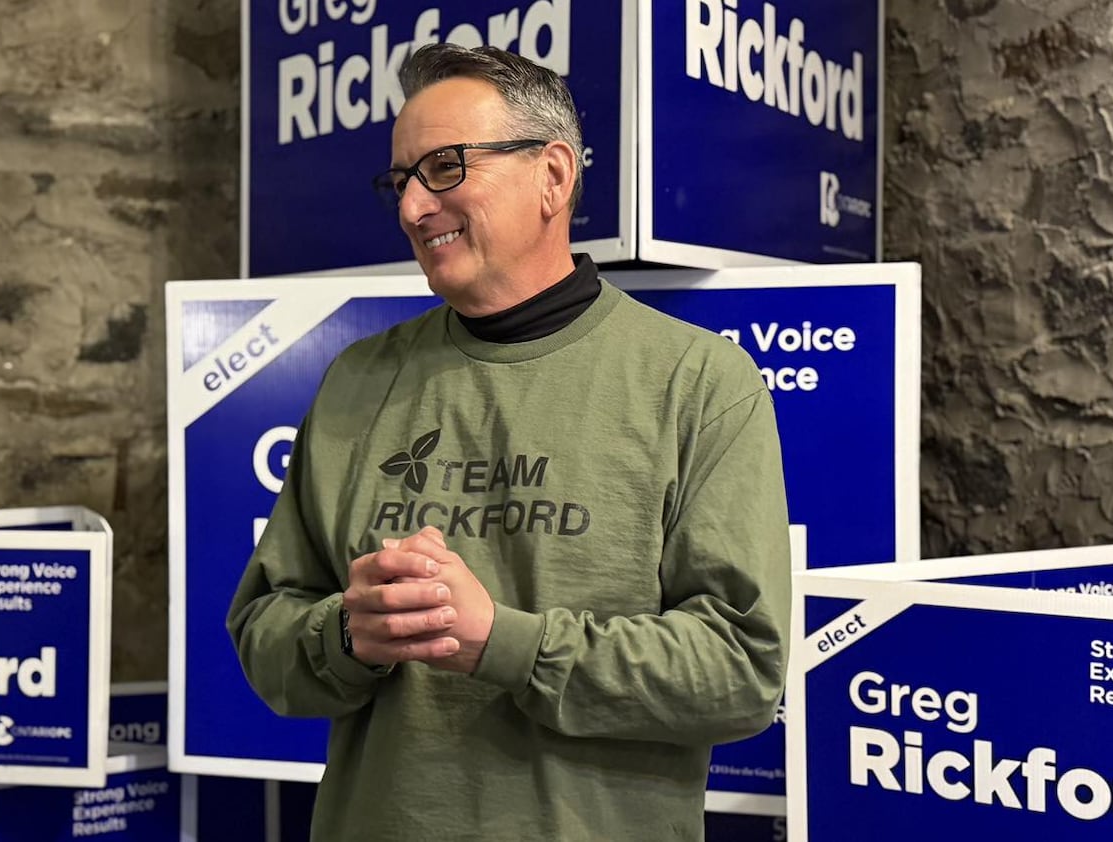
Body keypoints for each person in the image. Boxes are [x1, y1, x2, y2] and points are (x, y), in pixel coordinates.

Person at [227, 43, 790, 841]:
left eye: (446, 167)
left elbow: (742, 672)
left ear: (553, 176)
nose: (413, 208)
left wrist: (503, 640)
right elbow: (264, 633)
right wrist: (349, 636)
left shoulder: (696, 382)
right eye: (401, 180)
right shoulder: (357, 379)